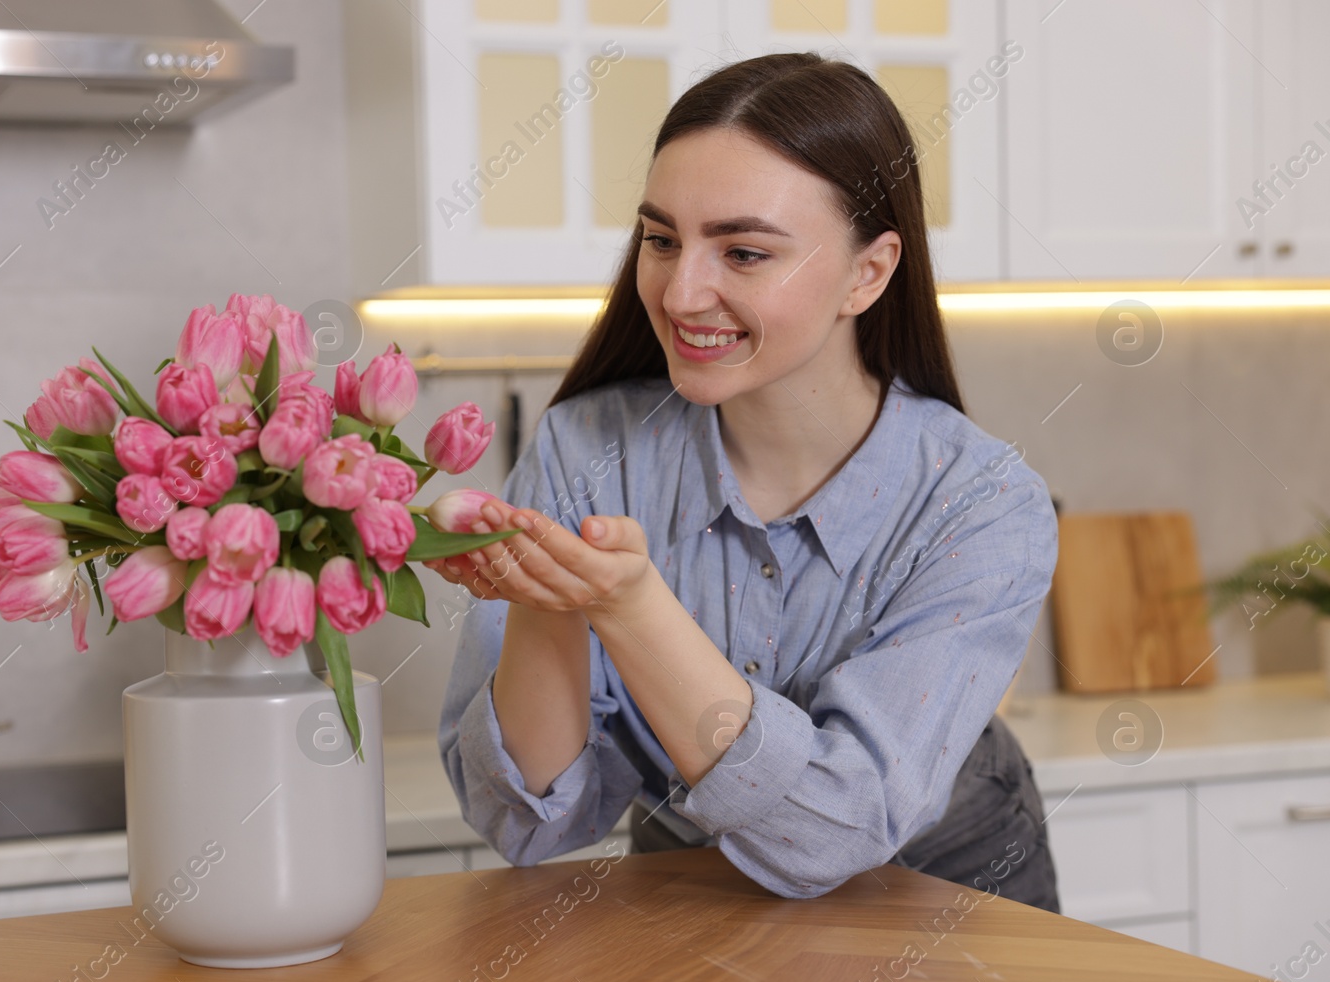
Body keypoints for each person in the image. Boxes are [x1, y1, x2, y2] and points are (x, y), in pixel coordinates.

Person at [422, 52, 1061, 910]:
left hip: (942, 895)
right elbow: (530, 823)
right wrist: (549, 596)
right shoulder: (589, 448)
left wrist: (632, 607)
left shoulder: (982, 504)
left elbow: (834, 832)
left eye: (745, 251)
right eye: (660, 239)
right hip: (693, 892)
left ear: (867, 273)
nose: (682, 292)